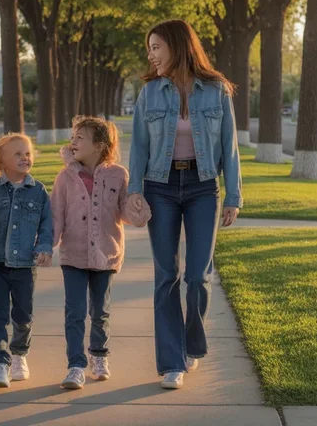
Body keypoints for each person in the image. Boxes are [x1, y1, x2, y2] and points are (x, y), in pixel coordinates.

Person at [126, 19, 242, 390]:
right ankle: (172, 362)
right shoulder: (149, 93)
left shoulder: (217, 89)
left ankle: (192, 343)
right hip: (159, 186)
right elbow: (140, 147)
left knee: (197, 276)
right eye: (150, 48)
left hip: (203, 187)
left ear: (177, 47)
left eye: (156, 47)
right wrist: (133, 191)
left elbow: (230, 146)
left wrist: (234, 196)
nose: (151, 55)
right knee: (166, 276)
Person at [52, 116, 151, 390]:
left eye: (80, 138)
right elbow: (56, 215)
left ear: (99, 145)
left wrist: (137, 208)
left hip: (106, 253)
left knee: (100, 311)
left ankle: (99, 356)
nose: (73, 142)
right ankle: (75, 365)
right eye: (72, 137)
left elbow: (125, 213)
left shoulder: (119, 175)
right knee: (74, 311)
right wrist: (46, 245)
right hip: (73, 253)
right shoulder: (65, 176)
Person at [0, 133, 54, 389]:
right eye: (17, 154)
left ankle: (19, 355)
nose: (24, 157)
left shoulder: (38, 191)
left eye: (27, 153)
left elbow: (46, 224)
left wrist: (44, 247)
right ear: (1, 161)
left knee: (23, 315)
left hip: (24, 267)